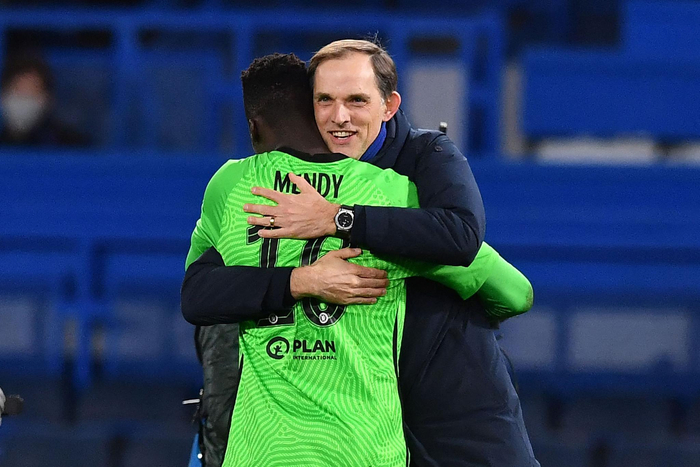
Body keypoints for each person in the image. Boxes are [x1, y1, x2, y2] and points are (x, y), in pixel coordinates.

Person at [184, 41, 539, 466]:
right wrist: (304, 280)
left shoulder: (418, 170)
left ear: (389, 106)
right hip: (371, 431)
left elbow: (462, 237)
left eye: (356, 100)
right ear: (308, 109)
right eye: (324, 101)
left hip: (455, 419)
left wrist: (338, 218)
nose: (339, 116)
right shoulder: (389, 194)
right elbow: (513, 291)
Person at [0, 54, 88, 147]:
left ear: (47, 98)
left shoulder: (70, 144)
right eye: (18, 90)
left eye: (32, 91)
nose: (24, 98)